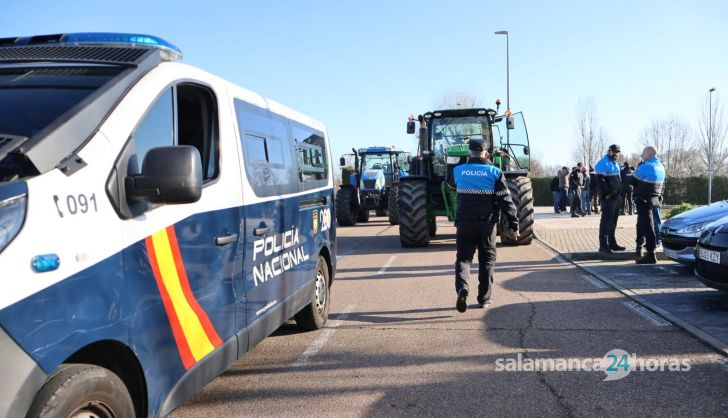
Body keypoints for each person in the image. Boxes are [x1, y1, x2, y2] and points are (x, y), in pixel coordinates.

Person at [453, 138, 519, 313]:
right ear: (487, 153)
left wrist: (462, 162)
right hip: (487, 224)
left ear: (469, 153)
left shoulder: (458, 171)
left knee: (464, 259)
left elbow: (451, 185)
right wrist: (514, 224)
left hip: (464, 223)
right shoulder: (495, 172)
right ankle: (484, 298)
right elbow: (506, 200)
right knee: (487, 261)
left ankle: (462, 288)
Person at [632, 146, 666, 264]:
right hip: (654, 199)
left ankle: (651, 254)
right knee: (642, 224)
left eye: (643, 154)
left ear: (648, 154)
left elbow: (632, 180)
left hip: (644, 200)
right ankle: (640, 247)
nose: (642, 156)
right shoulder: (660, 166)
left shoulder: (646, 166)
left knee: (647, 227)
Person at [595, 144, 626, 253]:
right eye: (614, 151)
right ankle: (603, 245)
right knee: (606, 222)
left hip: (617, 197)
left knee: (613, 222)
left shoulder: (615, 163)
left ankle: (612, 243)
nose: (616, 154)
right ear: (609, 151)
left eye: (617, 152)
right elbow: (600, 180)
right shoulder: (603, 163)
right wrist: (607, 194)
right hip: (609, 198)